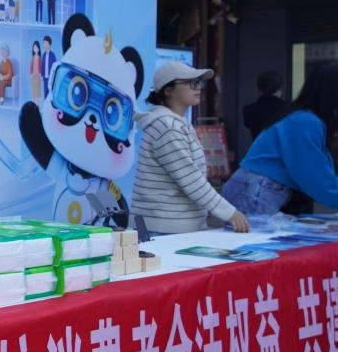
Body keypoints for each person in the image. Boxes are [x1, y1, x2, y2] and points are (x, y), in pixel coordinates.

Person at [131, 63, 249, 235]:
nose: (198, 88)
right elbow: (191, 181)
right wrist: (230, 213)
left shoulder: (174, 123)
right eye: (190, 83)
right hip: (164, 228)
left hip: (170, 225)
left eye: (198, 82)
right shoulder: (167, 126)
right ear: (168, 90)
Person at [223, 62, 338, 216]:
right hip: (255, 191)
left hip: (254, 189)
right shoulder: (305, 121)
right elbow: (315, 177)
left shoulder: (302, 116)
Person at [242, 70, 286, 141]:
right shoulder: (288, 108)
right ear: (280, 89)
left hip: (259, 147)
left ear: (259, 89)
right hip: (282, 147)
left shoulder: (249, 109)